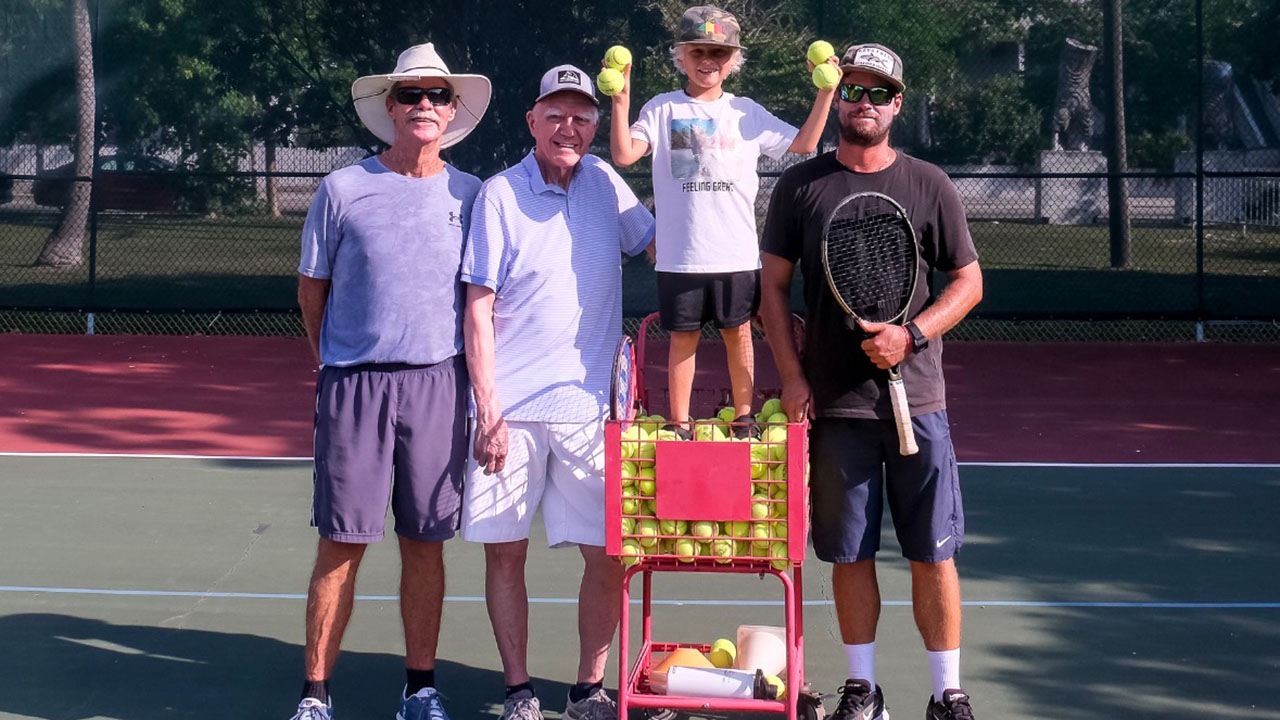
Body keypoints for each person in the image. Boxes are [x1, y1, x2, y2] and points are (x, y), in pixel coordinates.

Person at [758, 44, 984, 720]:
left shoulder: (929, 184)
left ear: (897, 105)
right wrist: (791, 376)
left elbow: (968, 282)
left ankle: (947, 693)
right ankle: (863, 689)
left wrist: (909, 335)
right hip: (834, 407)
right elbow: (771, 289)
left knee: (932, 553)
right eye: (852, 90)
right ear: (839, 96)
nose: (863, 103)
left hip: (919, 404)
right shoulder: (801, 187)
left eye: (877, 93)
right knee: (849, 554)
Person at [291, 42, 491, 720]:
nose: (424, 105)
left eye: (437, 95)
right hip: (354, 389)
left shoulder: (472, 195)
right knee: (341, 542)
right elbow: (311, 291)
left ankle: (421, 688)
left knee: (425, 542)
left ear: (453, 108)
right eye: (411, 95)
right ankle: (316, 696)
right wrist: (335, 360)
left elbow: (482, 303)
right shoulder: (341, 190)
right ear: (389, 106)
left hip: (439, 388)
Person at [460, 65, 656, 720]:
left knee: (610, 555)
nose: (569, 127)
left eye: (582, 116)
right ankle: (519, 690)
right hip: (509, 414)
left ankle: (587, 689)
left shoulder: (604, 181)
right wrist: (488, 410)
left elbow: (660, 247)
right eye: (556, 114)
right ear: (532, 121)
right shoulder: (497, 195)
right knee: (506, 555)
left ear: (596, 125)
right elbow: (477, 307)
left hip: (588, 412)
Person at [608, 5, 836, 438]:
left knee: (739, 337)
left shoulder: (746, 112)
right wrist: (621, 98)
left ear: (733, 61)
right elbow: (623, 155)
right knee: (682, 341)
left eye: (719, 52)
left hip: (735, 254)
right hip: (680, 259)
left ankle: (745, 418)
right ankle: (679, 425)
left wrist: (826, 92)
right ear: (681, 56)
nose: (708, 60)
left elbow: (805, 144)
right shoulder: (661, 109)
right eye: (698, 51)